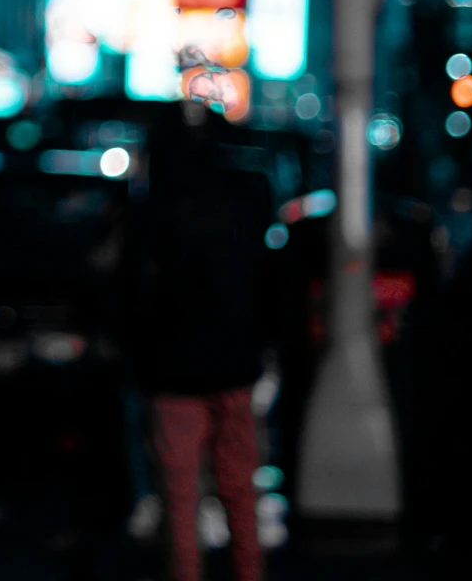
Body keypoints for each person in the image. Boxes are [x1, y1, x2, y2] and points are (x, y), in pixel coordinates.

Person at [119, 95, 274, 581]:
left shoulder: (151, 211)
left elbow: (132, 290)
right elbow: (263, 279)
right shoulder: (245, 197)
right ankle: (249, 573)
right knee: (238, 487)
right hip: (234, 363)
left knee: (181, 494)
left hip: (173, 371)